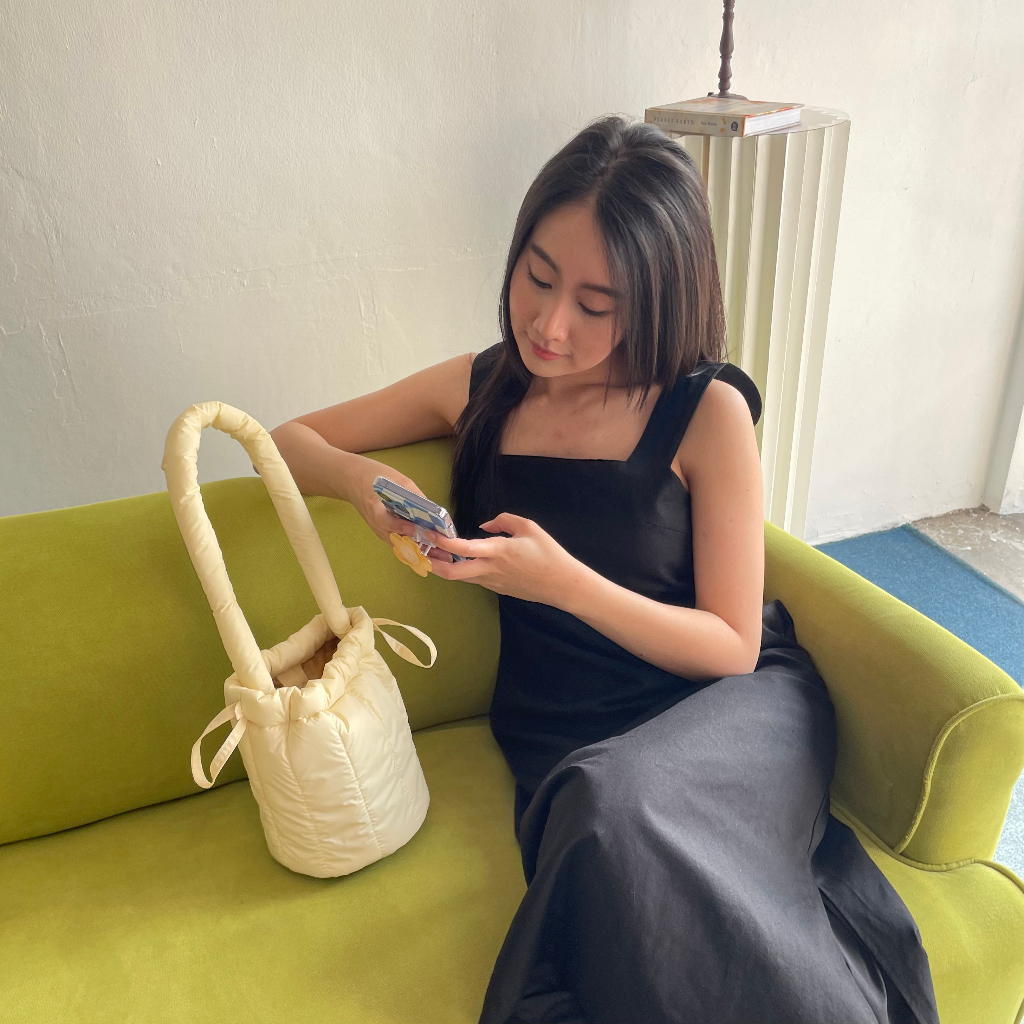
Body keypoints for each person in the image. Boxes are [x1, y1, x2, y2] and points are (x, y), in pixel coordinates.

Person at [270, 115, 939, 1024]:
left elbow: (732, 646)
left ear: (658, 300)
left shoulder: (705, 411)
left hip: (726, 707)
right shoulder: (480, 387)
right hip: (568, 731)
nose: (550, 325)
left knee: (624, 806)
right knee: (611, 809)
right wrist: (362, 484)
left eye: (597, 304)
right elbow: (284, 441)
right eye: (538, 276)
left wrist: (562, 584)